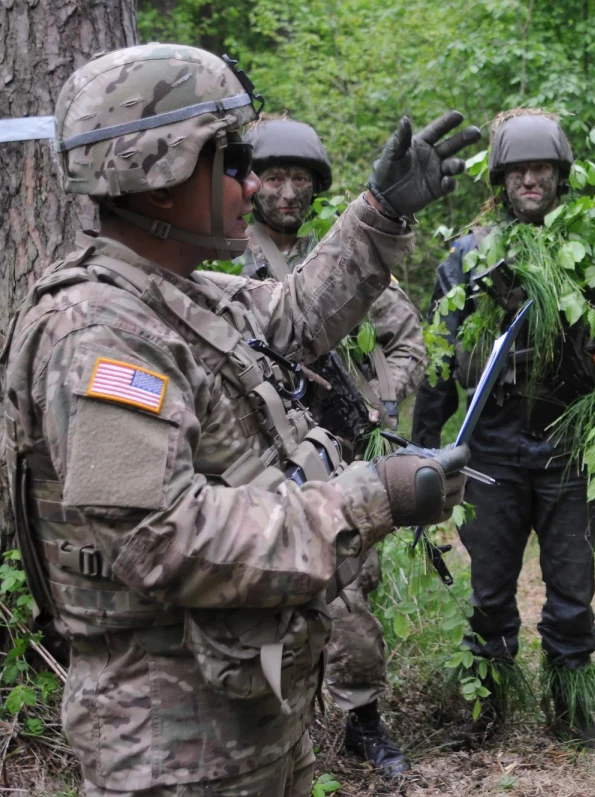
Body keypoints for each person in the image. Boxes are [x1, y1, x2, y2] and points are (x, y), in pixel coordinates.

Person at [2, 43, 479, 796]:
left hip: (240, 708)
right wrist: (367, 499)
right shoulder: (99, 334)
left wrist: (378, 215)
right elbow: (161, 539)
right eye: (230, 162)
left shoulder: (177, 290)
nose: (253, 184)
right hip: (170, 743)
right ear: (156, 181)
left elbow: (290, 317)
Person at [412, 111, 595, 747]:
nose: (530, 179)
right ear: (499, 178)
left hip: (573, 453)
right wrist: (424, 452)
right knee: (490, 593)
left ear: (559, 176)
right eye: (517, 169)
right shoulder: (467, 258)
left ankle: (572, 705)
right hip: (490, 451)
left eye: (541, 168)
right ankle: (485, 703)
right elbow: (439, 363)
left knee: (572, 593)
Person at [238, 117, 428, 779]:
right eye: (276, 177)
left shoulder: (348, 258)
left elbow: (407, 345)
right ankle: (274, 730)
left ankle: (361, 719)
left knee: (348, 590)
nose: (288, 192)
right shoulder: (225, 267)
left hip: (339, 448)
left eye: (301, 179)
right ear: (250, 183)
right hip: (254, 455)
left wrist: (379, 397)